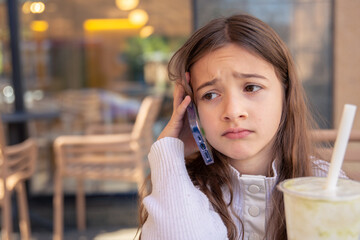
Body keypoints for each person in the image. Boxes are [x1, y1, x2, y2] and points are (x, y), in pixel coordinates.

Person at [137, 14, 346, 240]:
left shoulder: (326, 184)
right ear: (192, 109)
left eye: (251, 87)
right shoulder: (183, 188)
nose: (233, 111)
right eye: (210, 94)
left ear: (285, 94)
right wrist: (170, 153)